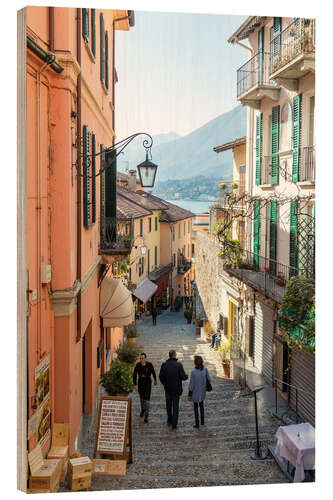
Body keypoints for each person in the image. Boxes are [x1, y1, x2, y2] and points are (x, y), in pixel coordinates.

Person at [159, 350, 188, 430]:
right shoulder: (178, 365)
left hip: (168, 389)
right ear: (175, 355)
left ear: (169, 356)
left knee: (168, 406)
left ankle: (169, 420)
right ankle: (174, 424)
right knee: (175, 407)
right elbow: (183, 377)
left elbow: (161, 377)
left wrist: (165, 384)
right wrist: (186, 376)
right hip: (176, 390)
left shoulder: (164, 365)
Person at [133, 353, 157, 423]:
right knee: (142, 398)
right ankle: (143, 410)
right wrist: (135, 384)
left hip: (148, 383)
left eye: (142, 358)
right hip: (140, 383)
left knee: (147, 399)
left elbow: (153, 372)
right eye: (140, 358)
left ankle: (146, 415)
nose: (141, 360)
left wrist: (155, 380)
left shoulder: (149, 365)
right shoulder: (138, 365)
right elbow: (134, 375)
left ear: (145, 358)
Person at [188, 355, 211, 428]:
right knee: (201, 406)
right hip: (202, 391)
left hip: (195, 392)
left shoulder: (193, 372)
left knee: (195, 407)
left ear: (195, 363)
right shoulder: (205, 369)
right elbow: (209, 379)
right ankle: (202, 422)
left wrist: (189, 394)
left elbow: (191, 385)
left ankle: (197, 423)